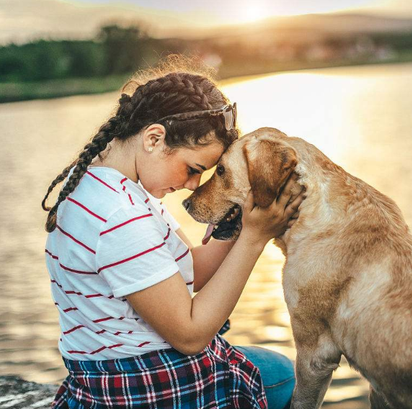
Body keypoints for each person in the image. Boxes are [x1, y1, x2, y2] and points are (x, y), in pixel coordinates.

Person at [41, 59, 304, 408]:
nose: (193, 186)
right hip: (137, 385)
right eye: (193, 170)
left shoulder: (108, 182)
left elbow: (187, 271)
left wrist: (238, 223)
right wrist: (255, 239)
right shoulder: (120, 217)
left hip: (100, 375)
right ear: (154, 138)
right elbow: (191, 335)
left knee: (272, 366)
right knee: (285, 374)